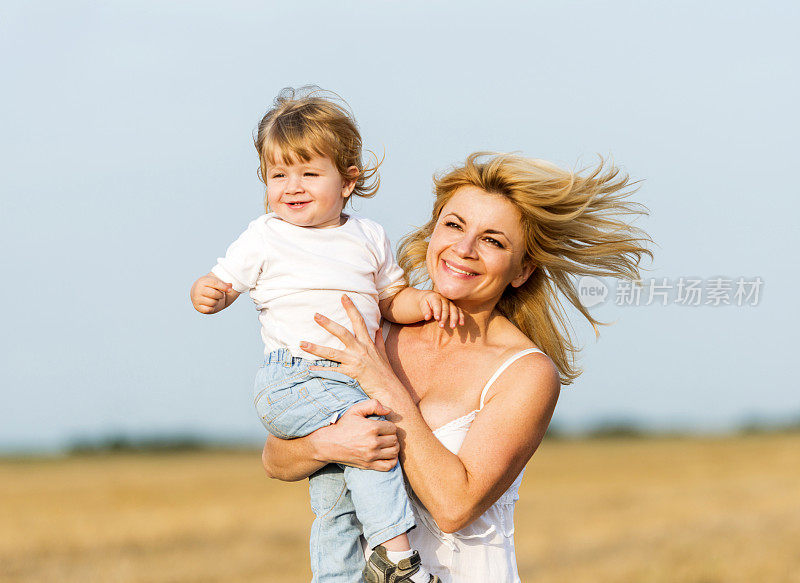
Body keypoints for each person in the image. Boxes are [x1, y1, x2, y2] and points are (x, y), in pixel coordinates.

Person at [262, 152, 653, 582]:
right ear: (432, 232)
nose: (463, 250)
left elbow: (453, 507)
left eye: (493, 240)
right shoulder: (375, 326)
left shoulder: (525, 373)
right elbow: (276, 458)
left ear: (522, 270)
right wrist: (329, 446)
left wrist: (381, 382)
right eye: (454, 225)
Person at [189, 87, 457, 583]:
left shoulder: (368, 236)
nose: (292, 185)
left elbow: (388, 299)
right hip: (295, 379)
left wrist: (424, 304)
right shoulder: (265, 235)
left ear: (348, 181)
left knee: (336, 502)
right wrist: (209, 293)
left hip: (351, 379)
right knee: (370, 442)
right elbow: (224, 282)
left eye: (310, 173)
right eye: (278, 175)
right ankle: (398, 558)